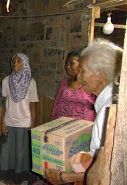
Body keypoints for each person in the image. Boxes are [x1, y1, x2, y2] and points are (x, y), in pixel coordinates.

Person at [44, 38, 123, 185]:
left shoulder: (108, 112)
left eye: (83, 71)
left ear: (100, 74)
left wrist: (63, 178)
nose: (79, 76)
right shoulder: (112, 99)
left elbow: (102, 169)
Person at [0, 53, 39, 185]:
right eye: (14, 62)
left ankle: (19, 176)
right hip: (9, 120)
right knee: (6, 151)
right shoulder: (6, 81)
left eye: (19, 62)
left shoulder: (31, 82)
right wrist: (2, 120)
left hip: (24, 121)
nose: (15, 64)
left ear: (25, 63)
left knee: (21, 152)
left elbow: (33, 105)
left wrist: (32, 124)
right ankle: (7, 174)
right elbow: (3, 103)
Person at [51, 51, 96, 121]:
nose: (67, 66)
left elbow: (96, 109)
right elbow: (56, 105)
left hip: (81, 128)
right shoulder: (64, 83)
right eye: (66, 63)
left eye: (72, 63)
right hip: (61, 126)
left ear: (81, 64)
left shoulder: (89, 84)